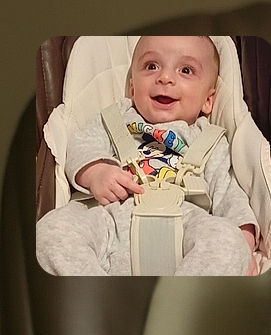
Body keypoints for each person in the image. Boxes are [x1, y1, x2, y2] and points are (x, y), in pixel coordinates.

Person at [36, 35, 259, 276]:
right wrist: (96, 172)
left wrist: (243, 241)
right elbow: (81, 145)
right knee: (51, 230)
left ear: (208, 100)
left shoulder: (211, 139)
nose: (165, 77)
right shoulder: (114, 117)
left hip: (185, 226)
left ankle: (179, 301)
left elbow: (228, 191)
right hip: (111, 217)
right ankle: (99, 295)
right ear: (132, 87)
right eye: (151, 66)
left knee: (227, 240)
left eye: (186, 70)